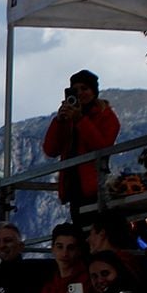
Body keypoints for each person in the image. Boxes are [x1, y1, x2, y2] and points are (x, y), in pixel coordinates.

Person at [42, 69, 119, 214]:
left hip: (94, 188)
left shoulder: (106, 116)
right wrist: (59, 121)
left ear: (94, 91)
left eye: (85, 88)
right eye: (75, 90)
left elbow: (102, 147)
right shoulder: (68, 118)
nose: (80, 93)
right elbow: (50, 150)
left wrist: (80, 120)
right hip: (73, 188)